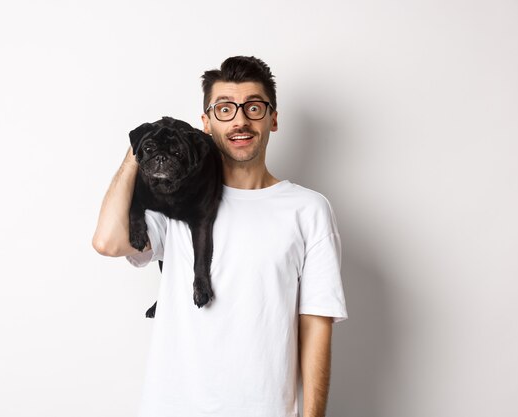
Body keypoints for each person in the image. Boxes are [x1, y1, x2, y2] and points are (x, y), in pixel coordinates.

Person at [92, 56, 348, 417]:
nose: (240, 120)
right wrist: (142, 145)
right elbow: (107, 241)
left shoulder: (308, 209)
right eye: (225, 109)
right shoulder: (175, 203)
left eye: (254, 107)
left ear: (273, 119)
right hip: (172, 407)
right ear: (206, 124)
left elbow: (316, 324)